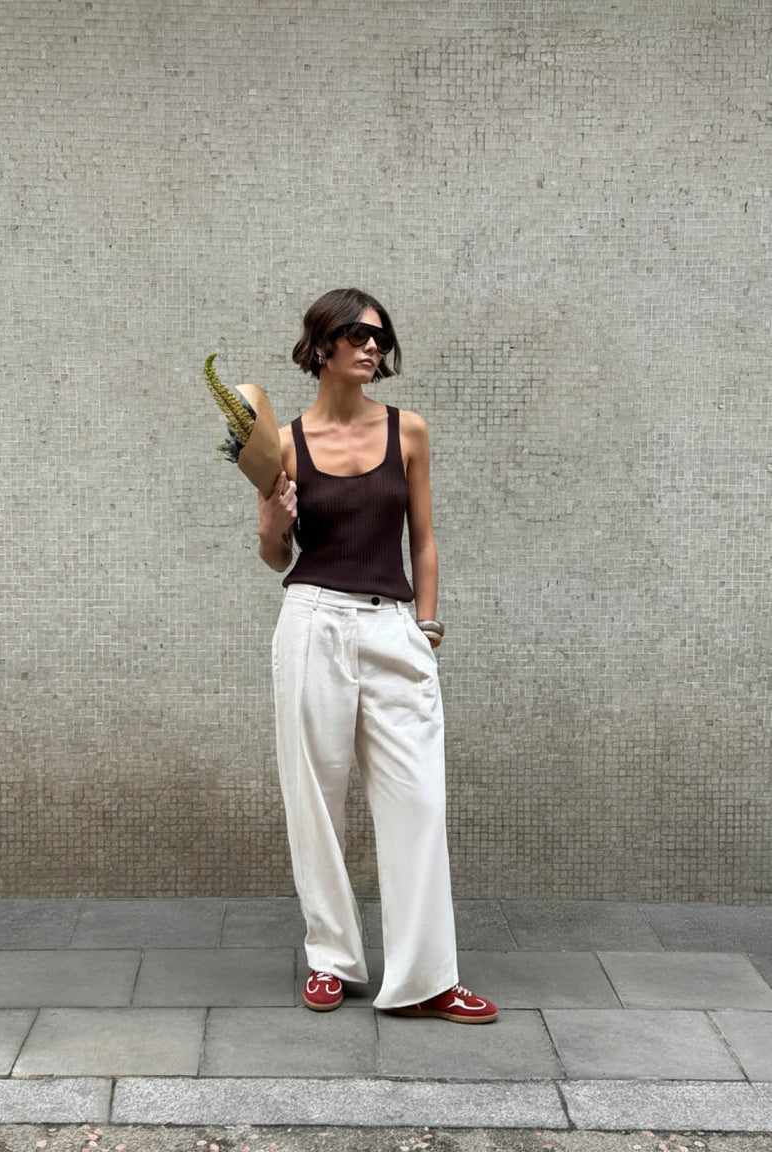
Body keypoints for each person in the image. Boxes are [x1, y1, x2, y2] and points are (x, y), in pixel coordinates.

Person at [258, 288, 497, 1024]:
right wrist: (270, 520)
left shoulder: (408, 430)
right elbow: (276, 556)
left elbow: (422, 538)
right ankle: (331, 959)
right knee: (315, 799)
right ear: (321, 345)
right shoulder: (284, 444)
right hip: (312, 622)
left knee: (417, 802)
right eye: (358, 336)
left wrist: (426, 628)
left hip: (393, 626)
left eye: (381, 339)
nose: (372, 348)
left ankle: (426, 979)